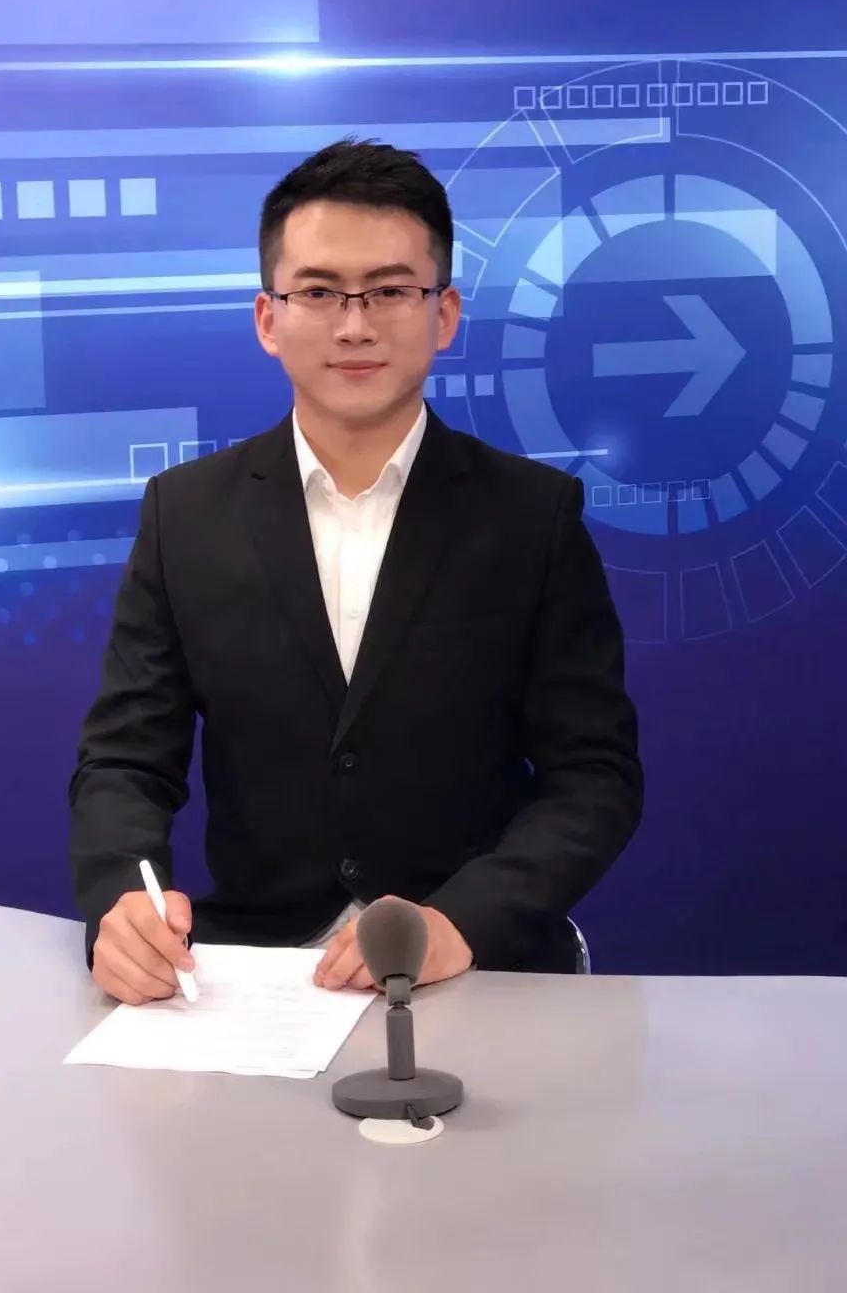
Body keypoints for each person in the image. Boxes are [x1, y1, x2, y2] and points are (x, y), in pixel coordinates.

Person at [69, 138, 642, 1004]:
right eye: (319, 292)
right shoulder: (184, 515)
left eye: (390, 290)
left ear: (444, 313)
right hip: (260, 972)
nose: (354, 325)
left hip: (472, 965)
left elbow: (594, 776)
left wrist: (464, 919)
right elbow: (124, 759)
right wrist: (122, 901)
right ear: (268, 318)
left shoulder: (533, 518)